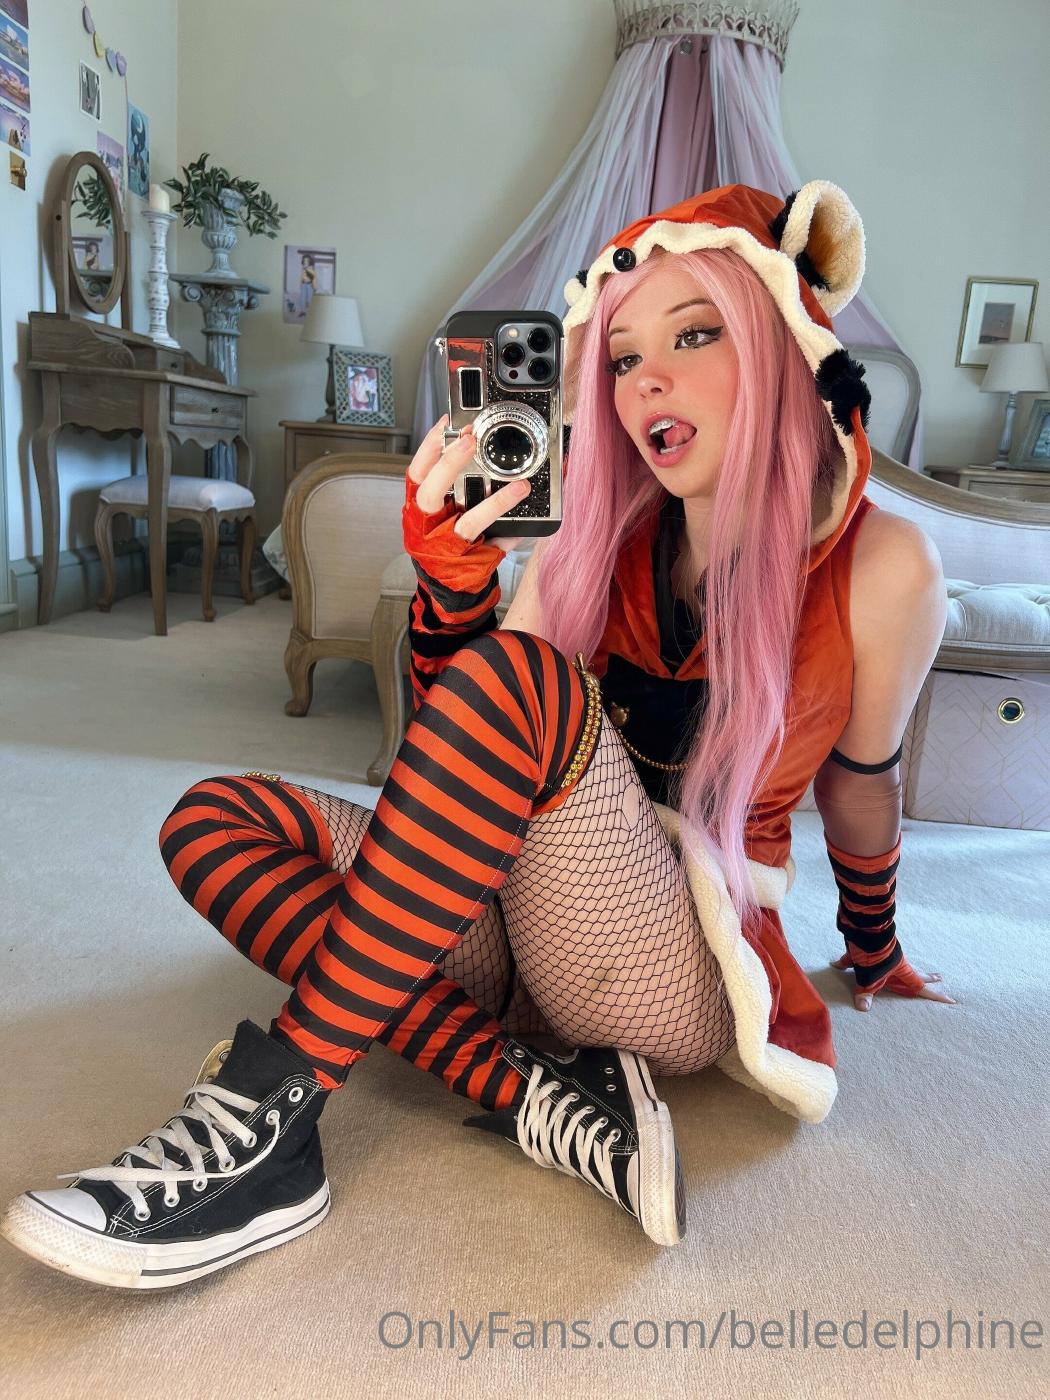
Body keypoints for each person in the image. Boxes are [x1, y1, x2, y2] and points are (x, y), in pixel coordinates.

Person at [1, 180, 955, 1291]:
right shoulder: (596, 539)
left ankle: (271, 1125)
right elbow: (463, 751)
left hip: (672, 963)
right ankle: (528, 1086)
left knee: (523, 678)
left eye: (696, 335)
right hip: (513, 923)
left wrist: (875, 946)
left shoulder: (885, 566)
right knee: (211, 818)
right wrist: (453, 585)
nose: (646, 378)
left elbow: (863, 781)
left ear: (787, 346)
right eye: (622, 355)